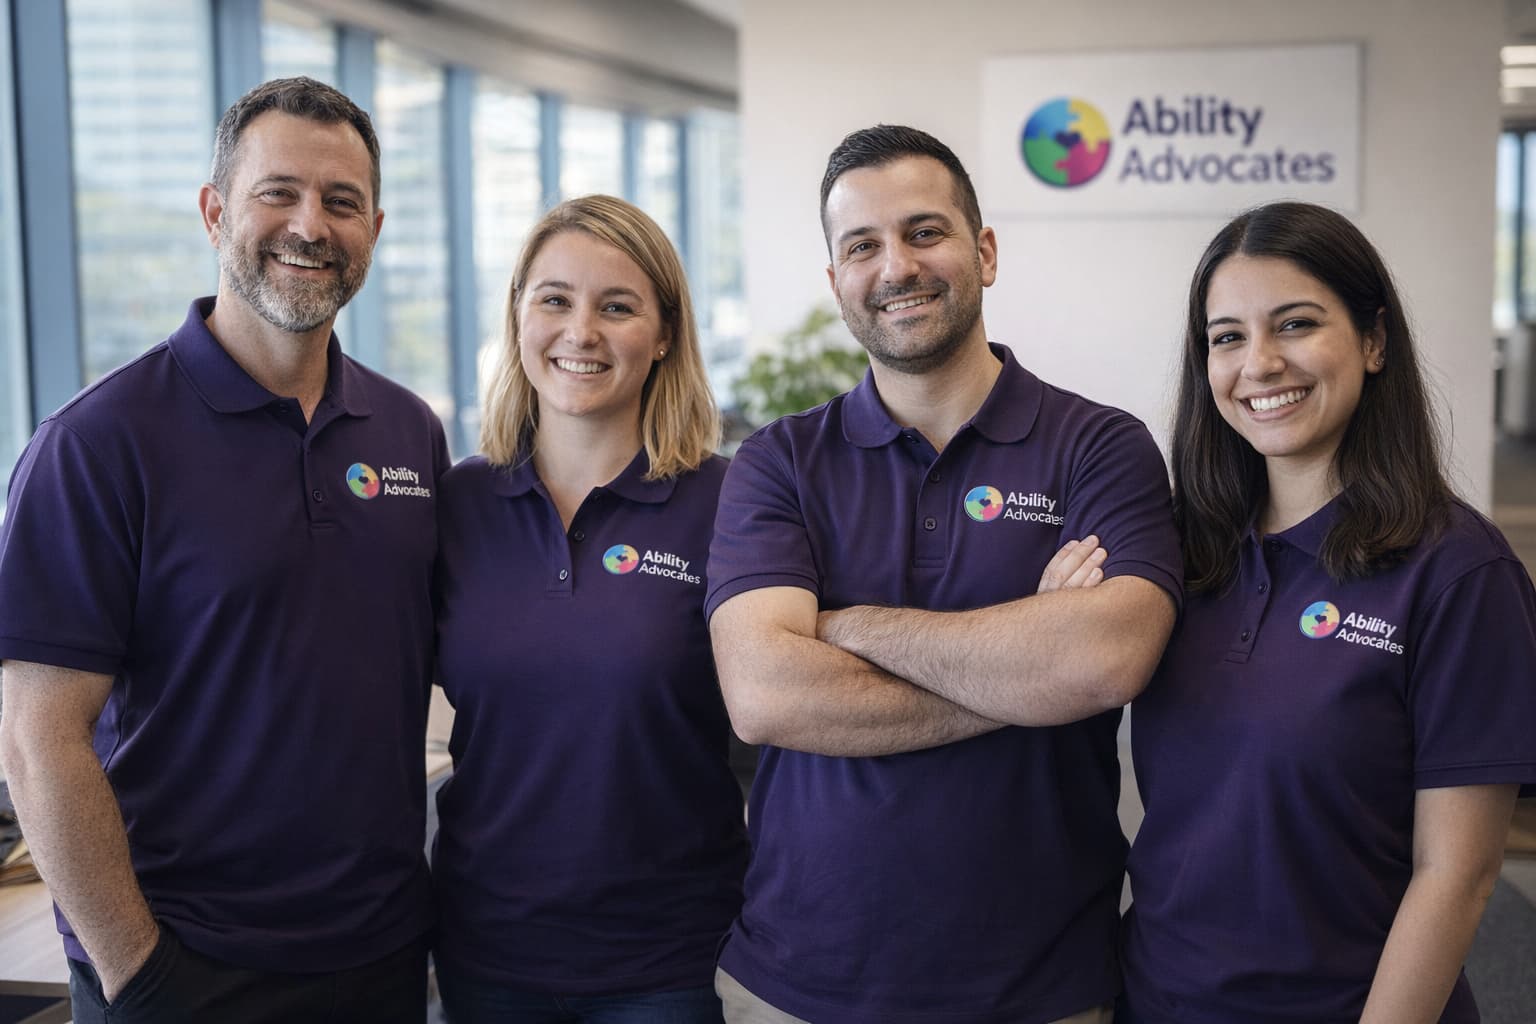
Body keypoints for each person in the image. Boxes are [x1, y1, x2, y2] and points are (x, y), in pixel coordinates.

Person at [705, 124, 1182, 1024]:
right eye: (862, 245)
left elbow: (1103, 663)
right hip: (801, 983)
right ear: (837, 278)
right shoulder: (779, 461)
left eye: (925, 232)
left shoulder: (1100, 447)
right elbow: (766, 695)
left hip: (1040, 985)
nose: (897, 266)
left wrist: (846, 626)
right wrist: (1027, 666)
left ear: (984, 251)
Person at [0, 77, 447, 1023]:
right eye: (276, 192)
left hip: (380, 952)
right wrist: (140, 975)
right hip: (181, 963)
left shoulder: (409, 433)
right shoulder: (95, 444)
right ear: (214, 211)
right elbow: (37, 742)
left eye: (341, 201)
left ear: (375, 225)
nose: (309, 226)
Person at [1119, 201, 1536, 1023]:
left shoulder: (1459, 573)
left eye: (1296, 324)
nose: (1260, 363)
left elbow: (1456, 876)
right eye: (1227, 337)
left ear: (1375, 341)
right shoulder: (1179, 553)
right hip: (1157, 999)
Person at [431, 194, 748, 1023]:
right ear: (518, 315)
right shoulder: (454, 502)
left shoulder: (731, 503)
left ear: (666, 332)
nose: (581, 332)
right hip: (485, 949)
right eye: (555, 300)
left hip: (672, 957)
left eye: (617, 307)